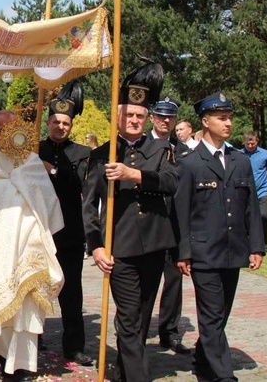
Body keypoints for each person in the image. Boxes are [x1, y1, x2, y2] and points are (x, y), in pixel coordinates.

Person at [83, 61, 178, 382]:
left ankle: (124, 370)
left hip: (155, 246)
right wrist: (95, 247)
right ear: (118, 118)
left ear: (147, 118)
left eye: (140, 116)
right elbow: (88, 206)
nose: (134, 121)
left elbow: (171, 182)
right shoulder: (101, 155)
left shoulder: (162, 148)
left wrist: (133, 174)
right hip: (119, 250)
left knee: (141, 316)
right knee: (128, 318)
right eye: (129, 115)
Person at [0, 110, 64, 381]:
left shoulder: (30, 162)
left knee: (23, 310)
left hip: (24, 249)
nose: (8, 136)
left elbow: (48, 206)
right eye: (2, 131)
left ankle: (17, 365)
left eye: (14, 129)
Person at [174, 92, 266, 381]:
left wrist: (257, 246)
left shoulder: (239, 160)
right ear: (205, 121)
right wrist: (184, 252)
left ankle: (203, 359)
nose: (228, 123)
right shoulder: (190, 162)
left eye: (229, 117)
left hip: (234, 249)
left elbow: (250, 206)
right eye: (221, 118)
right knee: (212, 315)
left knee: (221, 314)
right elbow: (182, 210)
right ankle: (224, 375)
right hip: (204, 252)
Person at [38, 81, 94, 366]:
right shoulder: (34, 151)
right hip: (38, 233)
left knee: (72, 293)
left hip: (70, 233)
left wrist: (55, 171)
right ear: (48, 122)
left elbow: (83, 189)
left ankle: (74, 346)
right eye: (56, 122)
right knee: (35, 291)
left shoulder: (83, 153)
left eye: (66, 123)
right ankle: (33, 340)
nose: (60, 127)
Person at [145, 96, 192, 355]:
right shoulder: (141, 145)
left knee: (174, 281)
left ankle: (170, 332)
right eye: (161, 116)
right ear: (152, 118)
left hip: (174, 225)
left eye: (170, 117)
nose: (165, 121)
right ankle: (136, 328)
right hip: (149, 224)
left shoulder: (183, 150)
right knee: (145, 282)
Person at [240, 130, 267, 253]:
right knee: (246, 217)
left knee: (264, 215)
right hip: (246, 191)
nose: (250, 146)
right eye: (248, 144)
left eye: (252, 143)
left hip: (262, 191)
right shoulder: (240, 155)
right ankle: (249, 241)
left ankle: (263, 240)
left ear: (256, 141)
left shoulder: (265, 154)